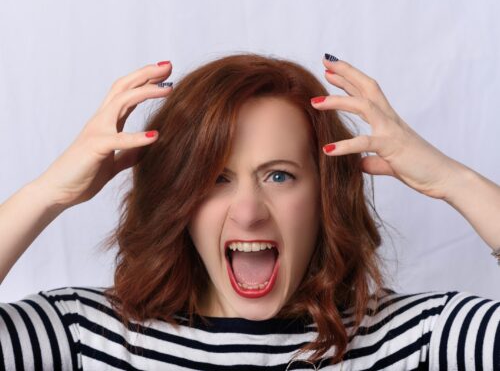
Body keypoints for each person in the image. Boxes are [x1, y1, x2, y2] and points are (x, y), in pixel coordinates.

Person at [0, 53, 499, 370]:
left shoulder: (416, 338)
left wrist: (453, 180)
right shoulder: (86, 334)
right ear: (180, 200)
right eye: (215, 179)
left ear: (326, 193)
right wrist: (47, 193)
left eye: (279, 175)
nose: (248, 211)